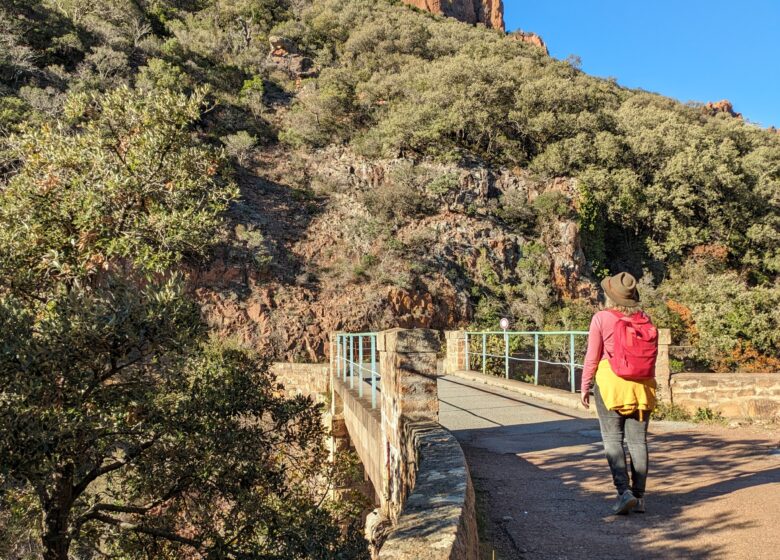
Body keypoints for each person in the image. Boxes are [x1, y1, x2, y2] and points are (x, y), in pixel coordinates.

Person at [580, 272, 657, 515]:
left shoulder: (601, 318)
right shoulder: (644, 319)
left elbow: (592, 356)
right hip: (642, 387)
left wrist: (584, 385)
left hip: (611, 385)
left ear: (609, 295)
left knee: (613, 439)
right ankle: (640, 497)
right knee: (638, 442)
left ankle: (624, 493)